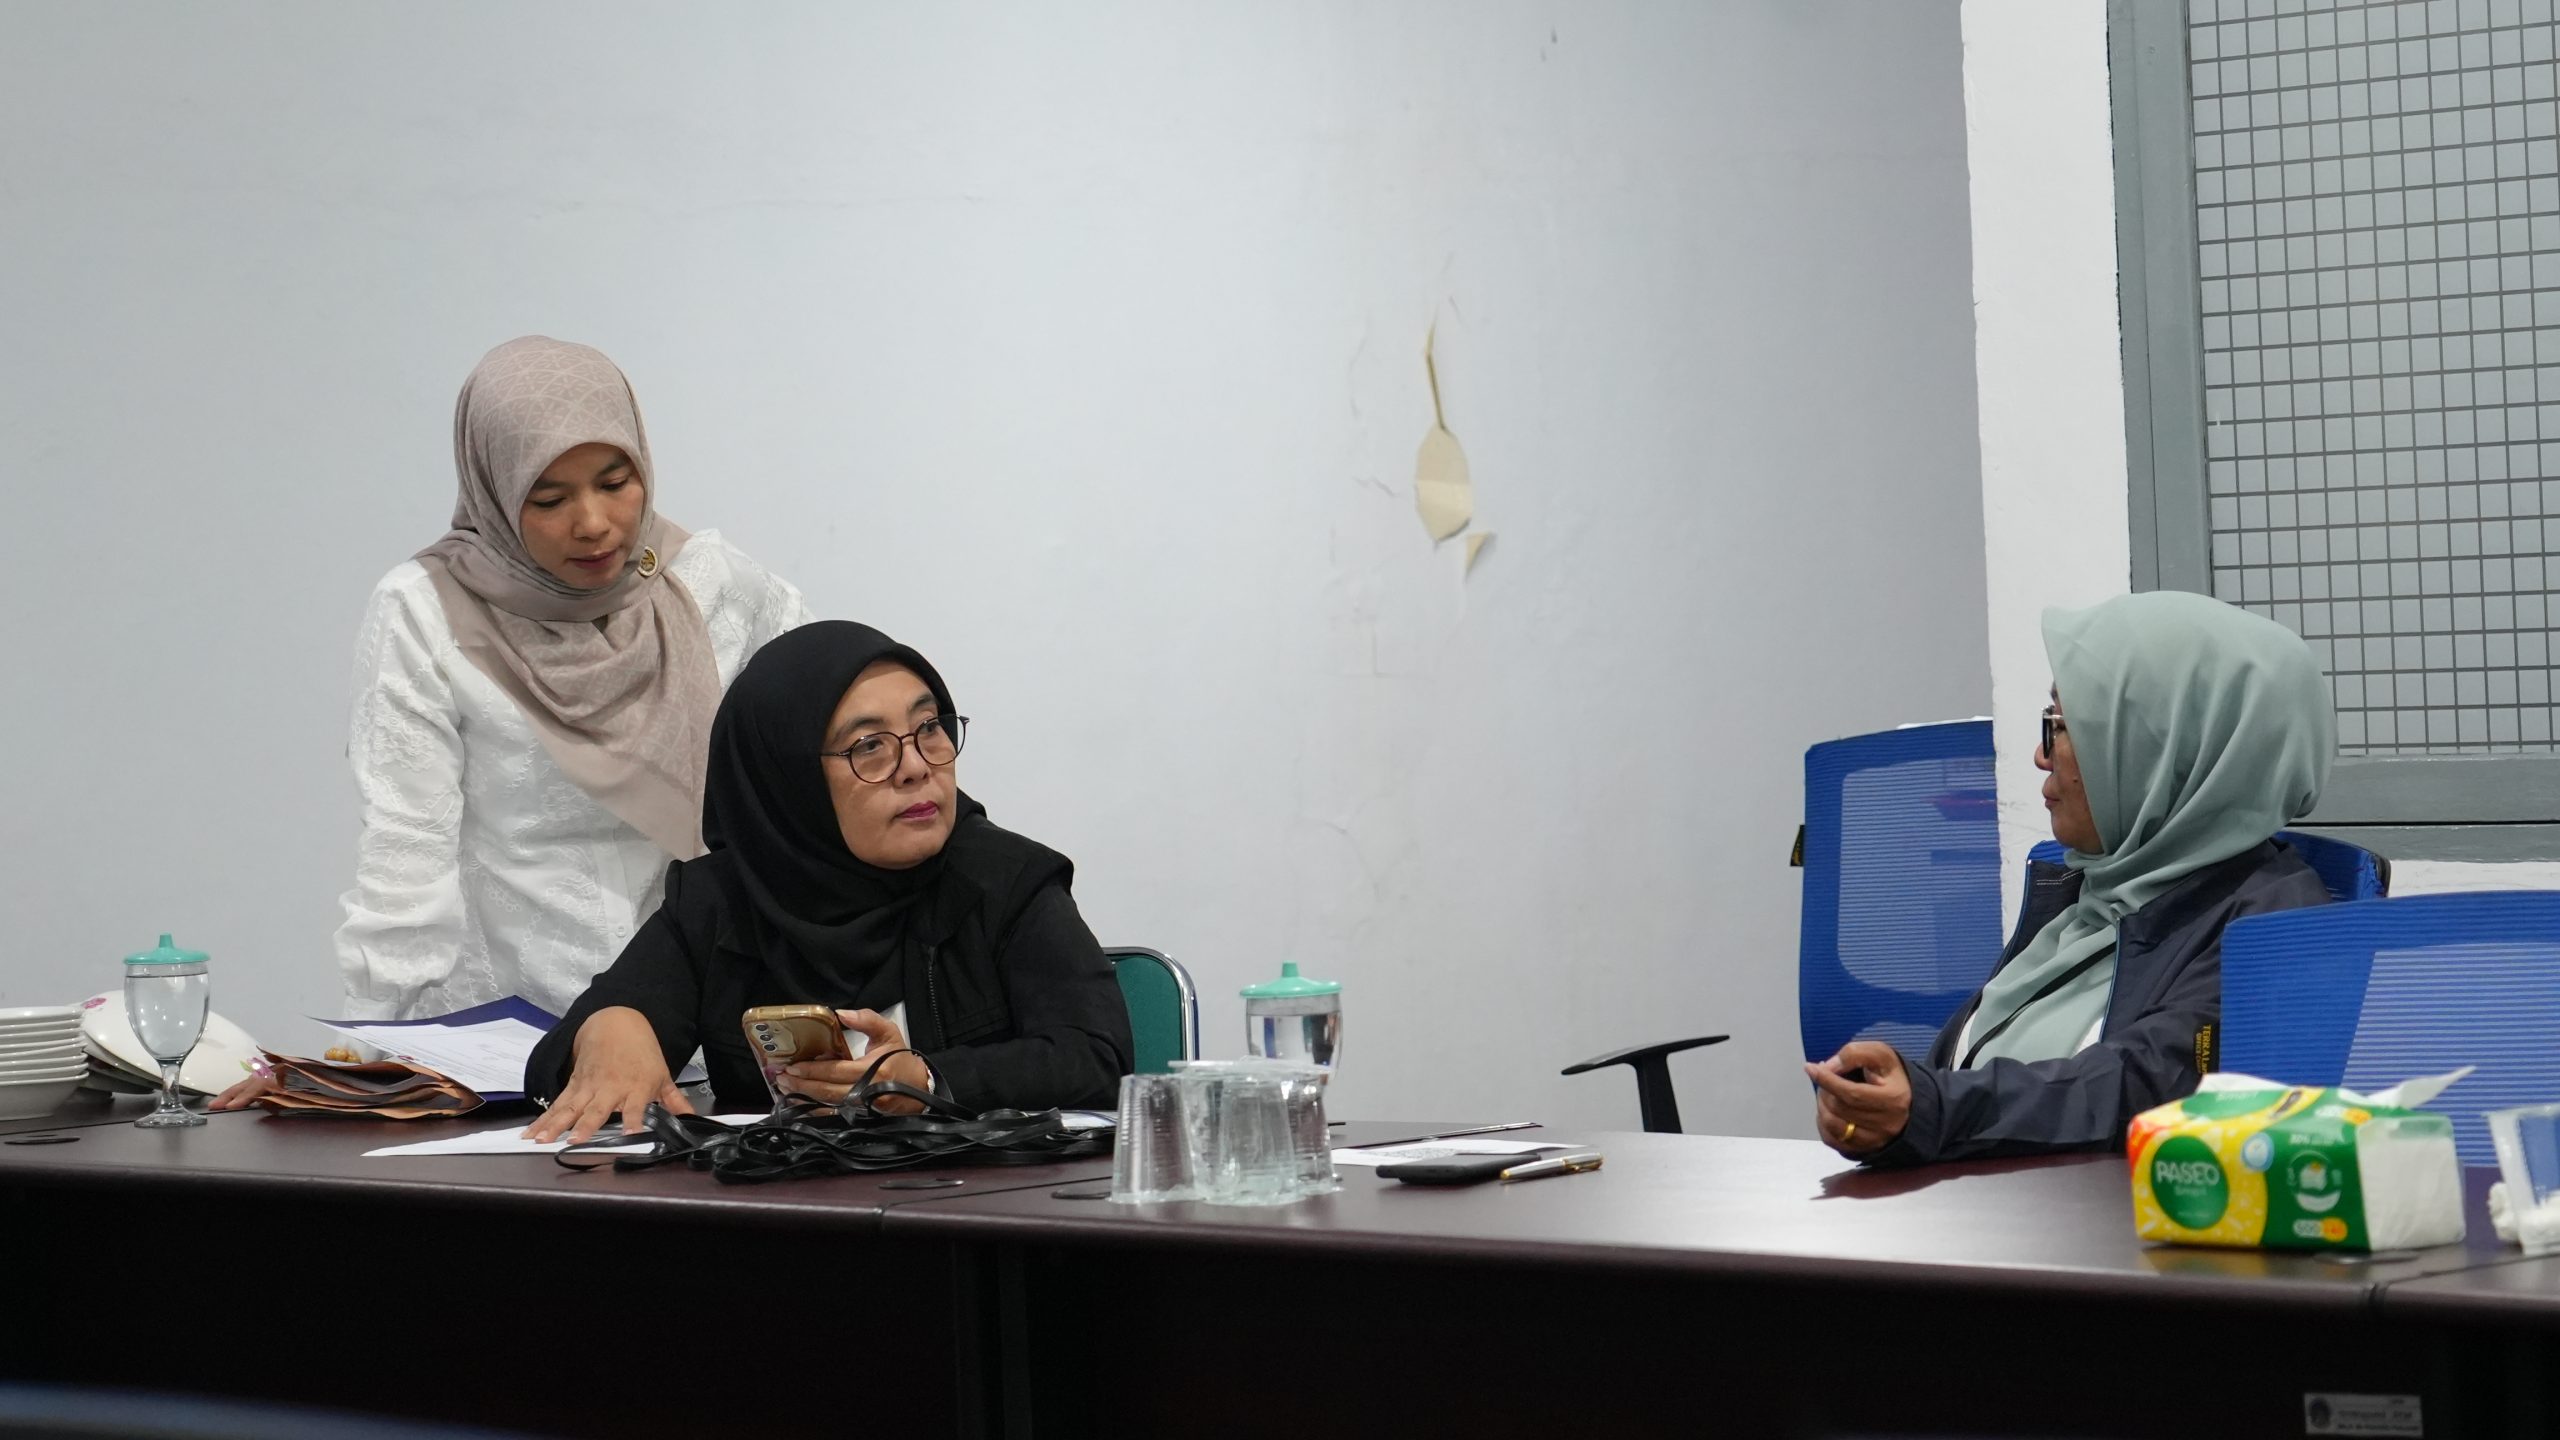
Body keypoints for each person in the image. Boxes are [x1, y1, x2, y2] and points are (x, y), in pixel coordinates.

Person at [214, 337, 809, 1110]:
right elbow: (405, 861)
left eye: (616, 482)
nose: (594, 523)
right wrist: (367, 1063)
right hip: (509, 1050)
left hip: (698, 1037)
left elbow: (819, 780)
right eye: (548, 499)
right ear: (492, 488)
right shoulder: (426, 611)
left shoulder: (711, 587)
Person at [524, 621, 1133, 1142]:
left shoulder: (1005, 880)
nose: (916, 766)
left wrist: (924, 1080)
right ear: (789, 781)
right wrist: (610, 1027)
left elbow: (1098, 1058)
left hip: (972, 1215)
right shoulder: (722, 901)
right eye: (869, 746)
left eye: (929, 727)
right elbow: (552, 1071)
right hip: (776, 1220)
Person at [1807, 591, 2334, 1167]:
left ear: (2164, 745)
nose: (2041, 754)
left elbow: (2143, 1087)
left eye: (2061, 725)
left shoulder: (2279, 925)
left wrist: (1932, 1107)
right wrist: (1888, 1108)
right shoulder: (2092, 894)